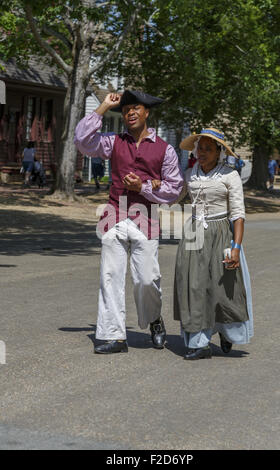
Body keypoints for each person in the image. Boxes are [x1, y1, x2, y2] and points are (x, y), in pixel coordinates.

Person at [74, 90, 184, 354]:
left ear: (146, 113)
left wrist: (144, 187)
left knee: (147, 279)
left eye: (135, 109)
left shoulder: (165, 149)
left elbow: (174, 189)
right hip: (114, 215)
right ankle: (114, 336)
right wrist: (103, 107)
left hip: (146, 218)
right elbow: (82, 141)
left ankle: (154, 319)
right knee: (110, 276)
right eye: (125, 110)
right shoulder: (113, 141)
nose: (130, 113)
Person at [174, 128, 253, 360]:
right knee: (194, 286)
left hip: (220, 232)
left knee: (222, 288)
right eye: (200, 148)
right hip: (194, 232)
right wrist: (157, 185)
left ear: (219, 152)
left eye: (209, 149)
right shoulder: (190, 174)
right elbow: (176, 197)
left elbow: (238, 214)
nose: (203, 152)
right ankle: (200, 343)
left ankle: (227, 333)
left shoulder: (230, 175)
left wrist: (236, 248)